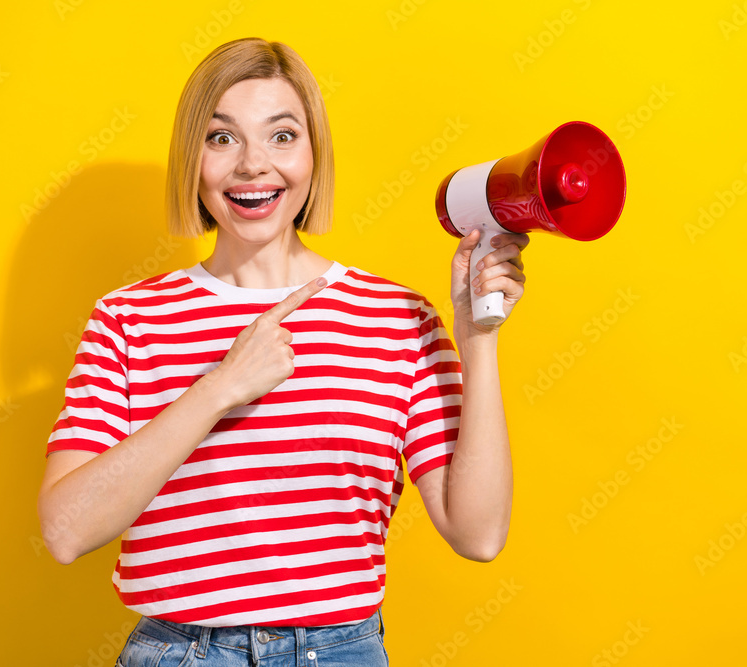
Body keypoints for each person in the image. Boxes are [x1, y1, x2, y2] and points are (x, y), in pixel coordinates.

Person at [38, 37, 528, 667]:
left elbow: (479, 533)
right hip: (182, 653)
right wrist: (220, 386)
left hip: (341, 652)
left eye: (281, 135)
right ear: (193, 160)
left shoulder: (396, 319)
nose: (251, 165)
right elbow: (66, 530)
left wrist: (478, 341)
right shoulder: (128, 318)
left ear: (314, 155)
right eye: (221, 138)